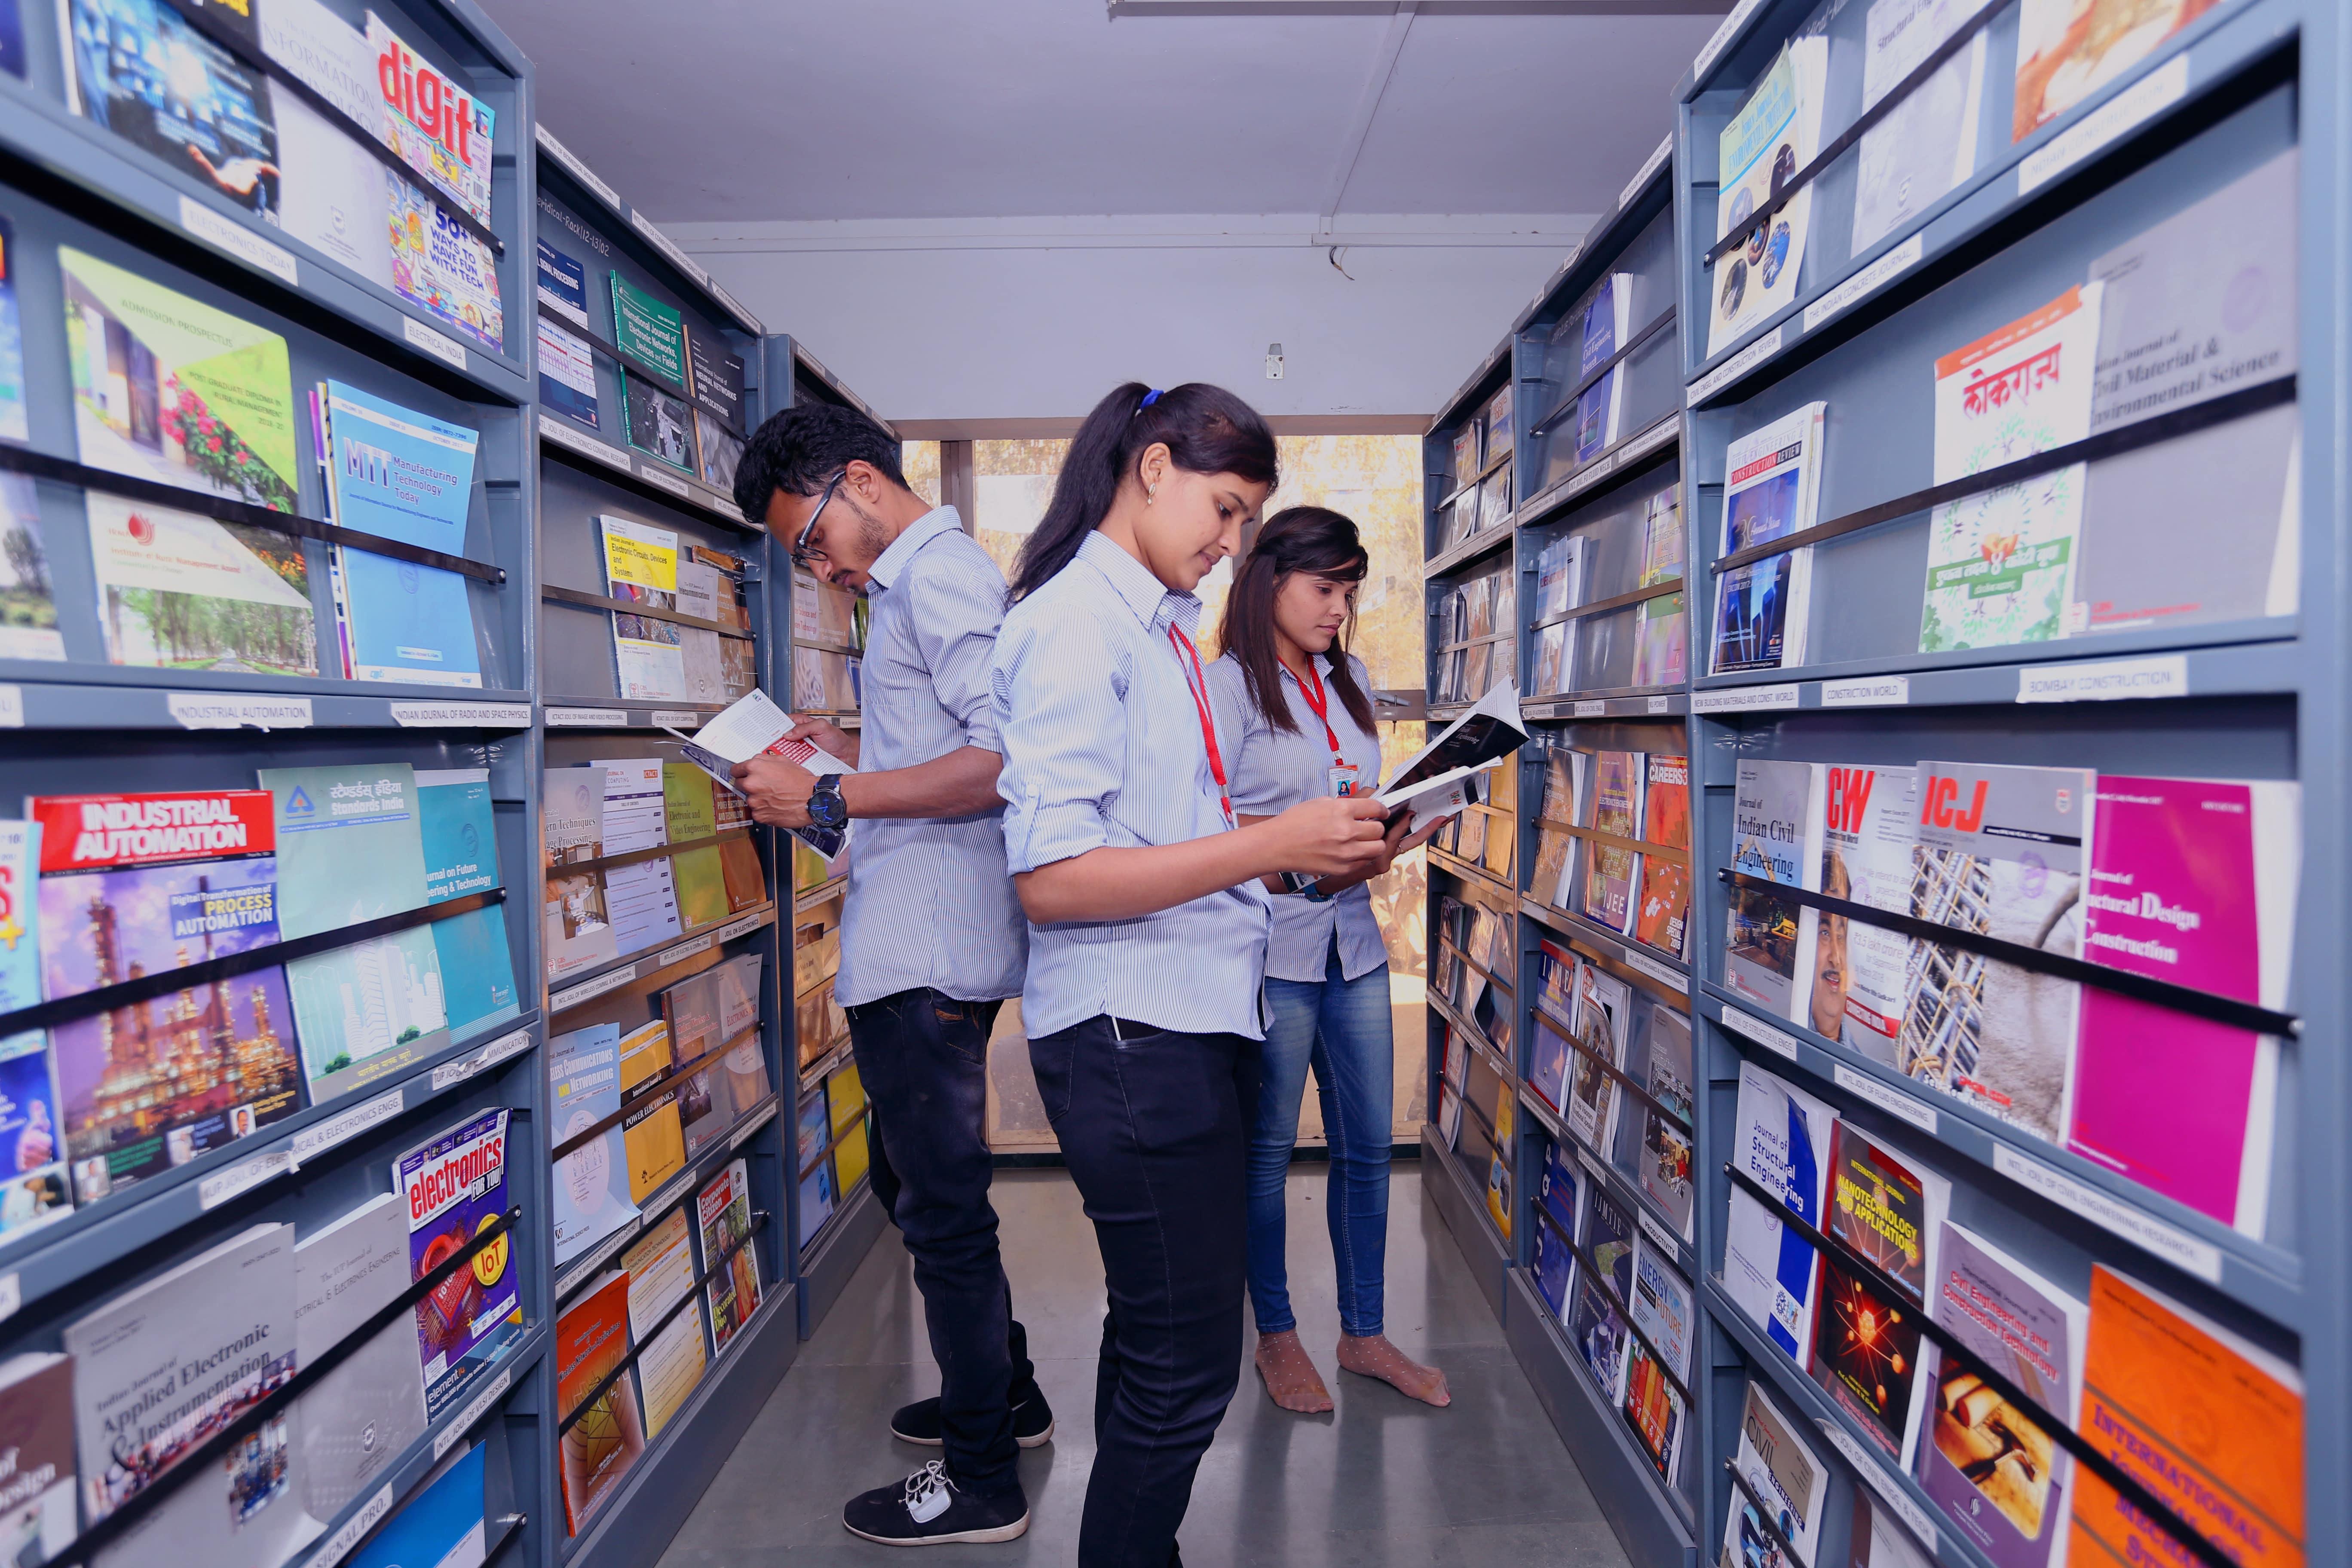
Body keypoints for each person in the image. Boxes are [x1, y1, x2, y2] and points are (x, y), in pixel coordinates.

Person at [992, 383, 1393, 1568]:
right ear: (1151, 468)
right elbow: (1053, 878)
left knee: (1156, 1336)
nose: (1233, 545)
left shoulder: (1158, 631)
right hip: (1131, 1038)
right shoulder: (1078, 625)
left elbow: (1178, 851)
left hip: (1190, 1019)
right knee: (1184, 1367)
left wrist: (1317, 857)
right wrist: (1274, 842)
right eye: (1225, 510)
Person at [730, 406, 1047, 1548]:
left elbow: (1007, 761)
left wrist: (831, 794)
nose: (819, 568)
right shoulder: (914, 588)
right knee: (915, 1194)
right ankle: (1002, 1398)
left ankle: (981, 1480)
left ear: (860, 482)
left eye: (813, 539)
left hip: (932, 952)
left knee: (941, 1213)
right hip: (915, 942)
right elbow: (947, 746)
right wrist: (851, 751)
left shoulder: (939, 578)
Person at [1204, 505, 1447, 1415]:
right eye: (1324, 588)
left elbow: (1357, 801)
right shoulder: (1226, 687)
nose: (1340, 608)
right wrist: (1296, 844)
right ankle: (1276, 1336)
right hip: (1271, 953)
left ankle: (1365, 1332)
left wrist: (1391, 829)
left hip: (1356, 944)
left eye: (1350, 591)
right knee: (1265, 1161)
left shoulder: (1352, 681)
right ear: (1271, 582)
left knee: (1368, 1150)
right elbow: (1205, 829)